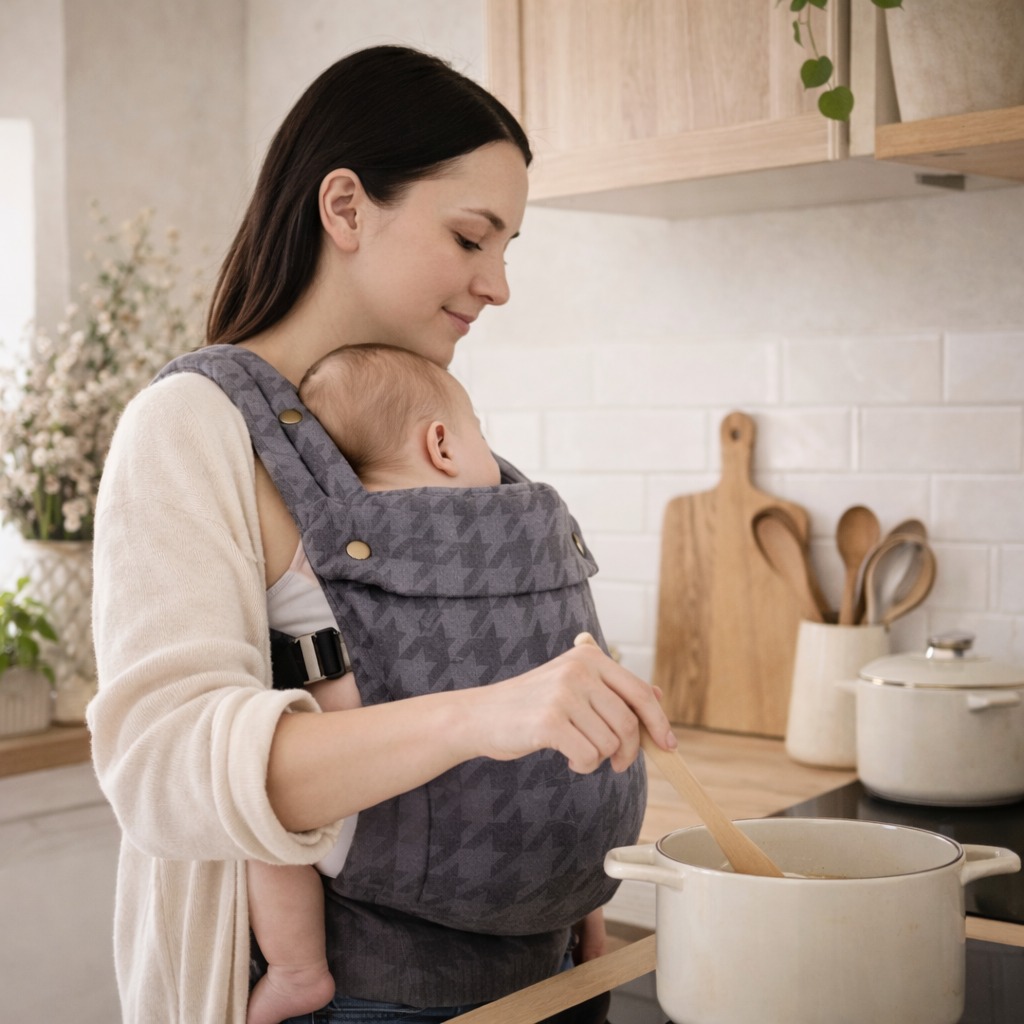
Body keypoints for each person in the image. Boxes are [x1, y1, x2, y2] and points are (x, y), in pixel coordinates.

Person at [89, 46, 675, 1024]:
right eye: (470, 237)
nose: (497, 285)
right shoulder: (191, 426)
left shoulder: (416, 421)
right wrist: (486, 714)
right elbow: (164, 765)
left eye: (507, 248)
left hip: (547, 964)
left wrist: (558, 889)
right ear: (347, 206)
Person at [247, 343, 507, 1024]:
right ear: (443, 443)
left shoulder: (315, 548)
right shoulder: (501, 562)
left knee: (261, 823)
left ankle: (297, 969)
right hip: (490, 818)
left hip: (352, 814)